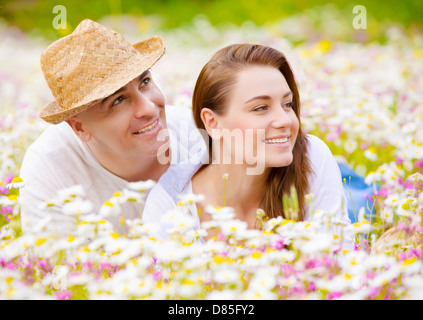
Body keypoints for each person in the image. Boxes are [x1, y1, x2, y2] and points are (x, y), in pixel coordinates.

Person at [143, 43, 352, 245]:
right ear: (212, 122)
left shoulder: (312, 156)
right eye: (261, 108)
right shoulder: (170, 204)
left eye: (287, 104)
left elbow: (337, 261)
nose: (285, 120)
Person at [19, 19, 206, 235]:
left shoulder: (200, 135)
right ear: (79, 128)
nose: (147, 108)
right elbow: (58, 264)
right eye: (118, 101)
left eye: (144, 82)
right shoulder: (50, 170)